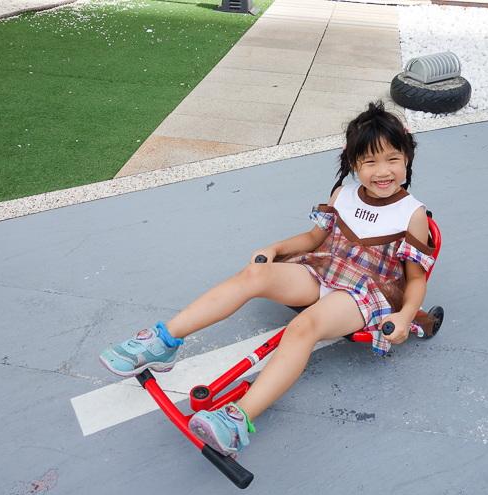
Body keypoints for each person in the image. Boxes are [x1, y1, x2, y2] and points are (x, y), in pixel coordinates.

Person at [99, 101, 438, 458]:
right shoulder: (344, 194)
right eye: (370, 161)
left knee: (304, 327)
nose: (382, 171)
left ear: (407, 159)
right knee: (255, 273)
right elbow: (313, 240)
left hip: (364, 292)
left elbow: (416, 279)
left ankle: (237, 420)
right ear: (354, 164)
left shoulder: (411, 213)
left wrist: (403, 315)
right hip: (325, 268)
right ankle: (163, 341)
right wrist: (275, 248)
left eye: (392, 159)